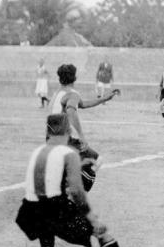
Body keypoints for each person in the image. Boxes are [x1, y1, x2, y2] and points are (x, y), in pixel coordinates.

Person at [15, 113, 149, 247]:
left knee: (44, 214)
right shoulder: (69, 153)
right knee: (102, 232)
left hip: (28, 214)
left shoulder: (37, 151)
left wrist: (78, 165)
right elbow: (77, 192)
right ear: (68, 131)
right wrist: (93, 219)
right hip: (55, 211)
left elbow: (45, 182)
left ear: (48, 132)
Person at [50, 63, 119, 192]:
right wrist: (81, 136)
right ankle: (72, 192)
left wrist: (104, 98)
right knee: (97, 161)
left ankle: (65, 187)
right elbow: (71, 111)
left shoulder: (57, 93)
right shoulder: (72, 94)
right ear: (74, 78)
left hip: (51, 140)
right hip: (65, 140)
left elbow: (83, 104)